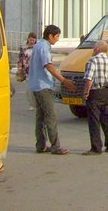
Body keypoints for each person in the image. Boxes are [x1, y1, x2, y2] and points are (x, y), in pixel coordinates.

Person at [29, 24, 76, 155]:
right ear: (50, 36)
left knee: (41, 117)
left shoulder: (38, 45)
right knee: (50, 116)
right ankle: (55, 146)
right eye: (57, 36)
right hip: (43, 86)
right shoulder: (43, 47)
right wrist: (64, 81)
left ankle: (41, 145)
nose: (58, 39)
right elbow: (48, 66)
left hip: (36, 85)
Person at [82, 40, 108, 155]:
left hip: (95, 92)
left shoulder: (93, 60)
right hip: (106, 92)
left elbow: (89, 78)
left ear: (97, 49)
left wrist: (86, 92)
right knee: (107, 119)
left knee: (94, 121)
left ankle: (96, 147)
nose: (93, 50)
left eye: (94, 48)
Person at [18, 31, 38, 110]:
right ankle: (31, 104)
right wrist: (20, 68)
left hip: (36, 70)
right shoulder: (24, 48)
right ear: (28, 39)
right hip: (27, 71)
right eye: (30, 40)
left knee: (36, 88)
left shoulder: (37, 48)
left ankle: (36, 103)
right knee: (29, 89)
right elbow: (20, 58)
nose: (32, 41)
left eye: (33, 40)